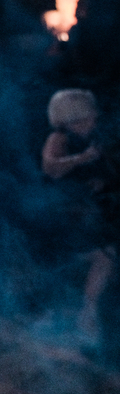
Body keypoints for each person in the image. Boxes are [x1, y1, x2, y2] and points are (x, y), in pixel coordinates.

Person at [42, 88, 117, 344]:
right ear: (74, 118)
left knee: (107, 255)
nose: (94, 121)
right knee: (104, 256)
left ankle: (88, 316)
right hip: (62, 218)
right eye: (89, 117)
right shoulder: (59, 138)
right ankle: (87, 316)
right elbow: (51, 168)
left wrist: (99, 181)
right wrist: (83, 159)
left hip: (84, 215)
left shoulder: (89, 140)